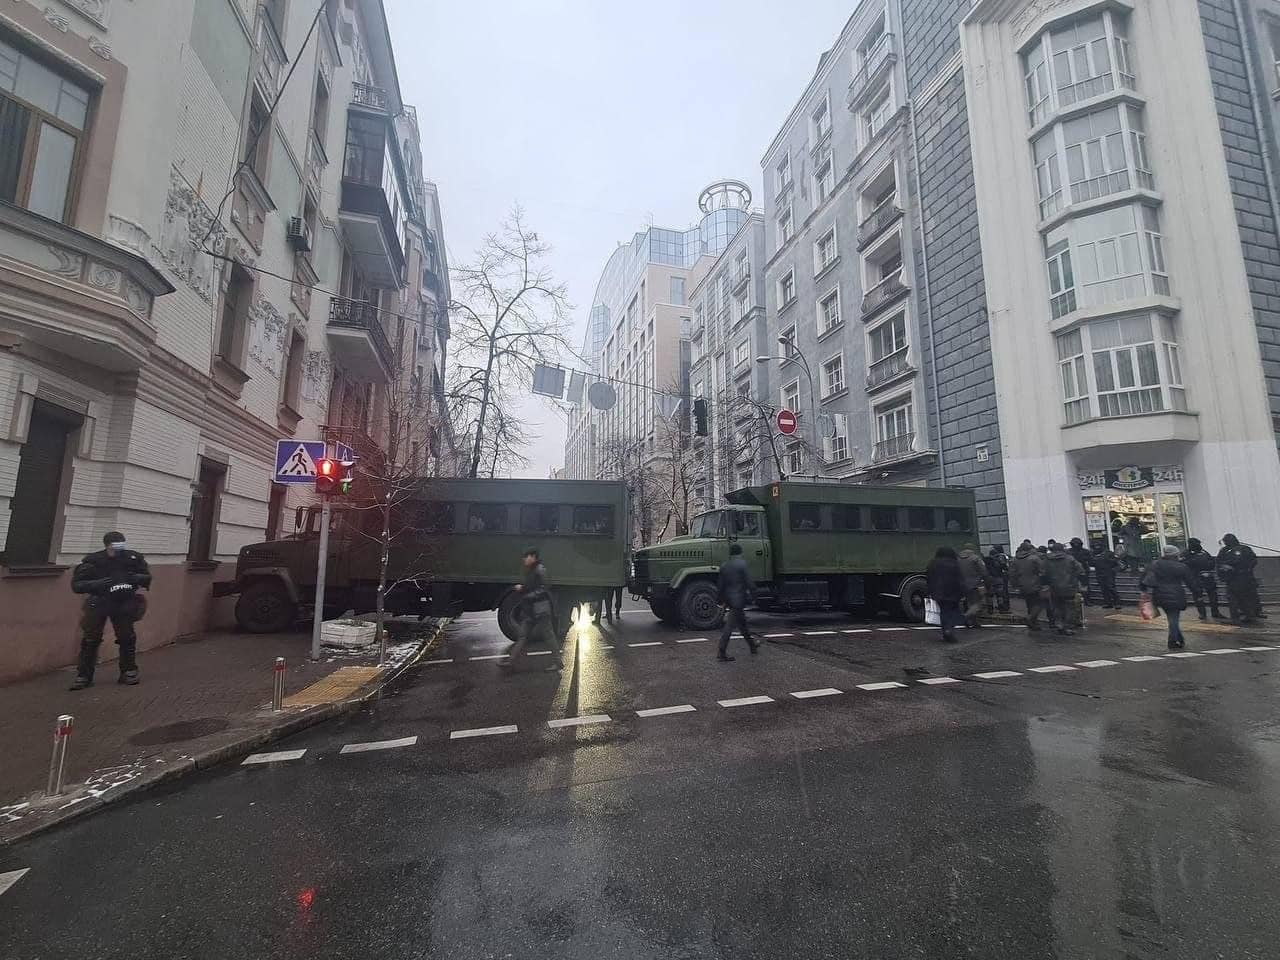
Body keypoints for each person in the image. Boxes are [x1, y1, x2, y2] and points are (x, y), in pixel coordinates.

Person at [70, 531, 151, 690]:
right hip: (100, 602)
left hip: (124, 601)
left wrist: (136, 578)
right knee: (91, 639)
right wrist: (98, 584)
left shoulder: (133, 558)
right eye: (116, 546)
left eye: (121, 545)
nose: (119, 550)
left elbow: (146, 577)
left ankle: (128, 671)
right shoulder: (93, 561)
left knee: (126, 637)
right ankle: (84, 675)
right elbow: (77, 585)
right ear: (107, 546)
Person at [506, 548, 562, 671]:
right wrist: (522, 588)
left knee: (549, 637)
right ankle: (510, 662)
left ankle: (558, 662)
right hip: (531, 610)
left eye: (526, 557)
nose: (524, 559)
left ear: (533, 557)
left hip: (541, 609)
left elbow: (545, 588)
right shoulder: (531, 570)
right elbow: (532, 586)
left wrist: (528, 595)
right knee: (522, 636)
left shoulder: (540, 569)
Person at [1142, 545, 1198, 649]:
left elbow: (1144, 578)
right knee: (1173, 618)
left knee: (1172, 618)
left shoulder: (1155, 564)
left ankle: (1180, 639)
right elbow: (1190, 582)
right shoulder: (1181, 566)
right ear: (1176, 554)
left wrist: (1143, 590)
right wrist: (1197, 593)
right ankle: (1172, 641)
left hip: (1159, 594)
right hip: (1176, 594)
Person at [716, 543, 758, 661]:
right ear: (740, 553)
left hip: (729, 600)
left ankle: (752, 645)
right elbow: (749, 583)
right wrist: (754, 596)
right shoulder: (742, 564)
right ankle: (721, 651)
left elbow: (720, 585)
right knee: (729, 627)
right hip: (738, 600)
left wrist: (720, 600)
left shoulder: (725, 565)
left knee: (743, 625)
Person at [1217, 533, 1261, 624]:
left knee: (1234, 598)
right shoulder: (1226, 550)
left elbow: (1252, 561)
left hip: (1239, 577)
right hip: (1237, 577)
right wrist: (1223, 569)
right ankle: (1249, 616)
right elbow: (1219, 562)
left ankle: (1236, 618)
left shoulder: (1241, 549)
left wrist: (1237, 568)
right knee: (1242, 598)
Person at [926, 546, 966, 643]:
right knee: (952, 611)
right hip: (952, 591)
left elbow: (929, 577)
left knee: (944, 611)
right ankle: (949, 629)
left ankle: (946, 630)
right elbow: (960, 579)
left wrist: (930, 591)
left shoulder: (933, 563)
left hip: (938, 592)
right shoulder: (954, 563)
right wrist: (963, 591)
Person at [1044, 543, 1085, 636]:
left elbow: (1043, 572)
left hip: (1054, 587)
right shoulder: (1070, 558)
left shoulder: (1047, 559)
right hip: (1069, 587)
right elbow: (1080, 570)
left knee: (1056, 606)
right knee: (1069, 607)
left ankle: (1059, 624)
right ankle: (1068, 627)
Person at [1183, 537, 1225, 621]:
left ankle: (1215, 612)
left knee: (1213, 595)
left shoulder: (1204, 552)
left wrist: (1207, 569)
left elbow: (1212, 562)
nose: (1197, 545)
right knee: (1198, 596)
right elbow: (1185, 564)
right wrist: (1197, 566)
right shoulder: (1186, 553)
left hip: (1207, 576)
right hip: (1195, 577)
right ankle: (1202, 613)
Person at [1010, 540, 1047, 630]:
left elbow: (1012, 574)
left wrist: (1015, 585)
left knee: (1029, 603)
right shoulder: (1034, 558)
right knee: (1039, 603)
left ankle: (1033, 623)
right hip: (1035, 584)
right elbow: (1042, 571)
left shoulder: (1015, 559)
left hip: (1022, 585)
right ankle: (1030, 619)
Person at [957, 543, 990, 628]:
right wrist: (987, 581)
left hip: (963, 584)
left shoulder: (958, 559)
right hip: (976, 584)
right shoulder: (976, 558)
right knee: (979, 603)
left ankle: (973, 621)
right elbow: (983, 571)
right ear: (972, 549)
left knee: (969, 603)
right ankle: (966, 616)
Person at [1091, 542, 1121, 609]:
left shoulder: (1108, 553)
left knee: (1111, 588)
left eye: (1098, 546)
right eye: (1096, 546)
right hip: (1099, 573)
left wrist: (1108, 561)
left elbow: (1115, 562)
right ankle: (1108, 603)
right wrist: (1095, 560)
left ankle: (1117, 603)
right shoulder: (1094, 554)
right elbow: (1091, 563)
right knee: (1103, 589)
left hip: (1108, 573)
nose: (1097, 547)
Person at [984, 545, 1011, 614]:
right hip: (998, 578)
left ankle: (990, 609)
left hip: (989, 578)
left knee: (989, 595)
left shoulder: (986, 560)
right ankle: (1001, 608)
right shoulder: (998, 559)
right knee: (999, 594)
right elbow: (1004, 567)